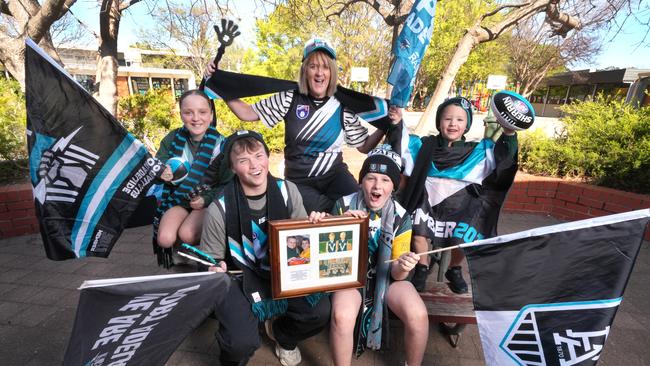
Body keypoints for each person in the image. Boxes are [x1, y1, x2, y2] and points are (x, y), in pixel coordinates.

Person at [206, 37, 402, 212]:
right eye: (313, 66)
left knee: (359, 203)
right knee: (325, 214)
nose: (319, 73)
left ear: (332, 72)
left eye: (325, 67)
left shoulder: (343, 105)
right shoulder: (289, 98)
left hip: (335, 175)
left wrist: (384, 125)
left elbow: (364, 147)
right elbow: (247, 113)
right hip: (299, 180)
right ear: (305, 70)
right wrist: (219, 86)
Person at [199, 130, 330, 366]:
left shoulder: (288, 191)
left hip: (283, 271)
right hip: (240, 278)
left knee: (318, 312)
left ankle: (283, 335)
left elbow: (302, 243)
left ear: (268, 157)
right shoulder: (219, 208)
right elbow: (209, 260)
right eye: (243, 161)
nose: (254, 165)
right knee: (239, 343)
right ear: (232, 167)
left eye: (259, 156)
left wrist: (317, 228)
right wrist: (212, 268)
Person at [310, 146, 429, 366]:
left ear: (394, 186)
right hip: (351, 276)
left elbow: (398, 275)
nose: (377, 186)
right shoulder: (344, 205)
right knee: (342, 317)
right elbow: (327, 259)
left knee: (418, 315)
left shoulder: (401, 216)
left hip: (387, 278)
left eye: (385, 180)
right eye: (370, 178)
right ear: (361, 181)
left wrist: (404, 265)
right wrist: (334, 223)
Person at [396, 96, 519, 294]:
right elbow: (400, 142)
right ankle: (422, 266)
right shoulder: (423, 146)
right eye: (447, 119)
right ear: (439, 122)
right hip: (426, 202)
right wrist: (395, 121)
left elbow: (505, 161)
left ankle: (454, 268)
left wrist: (509, 134)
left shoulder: (479, 150)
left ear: (467, 124)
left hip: (460, 206)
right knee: (417, 227)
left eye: (460, 120)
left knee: (466, 232)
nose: (453, 124)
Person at [154, 89, 225, 265]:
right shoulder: (173, 138)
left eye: (202, 112)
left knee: (186, 233)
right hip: (179, 199)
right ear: (181, 115)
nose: (196, 118)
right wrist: (162, 171)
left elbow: (227, 184)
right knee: (164, 238)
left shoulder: (222, 145)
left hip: (207, 200)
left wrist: (205, 199)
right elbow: (157, 163)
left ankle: (206, 251)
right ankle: (182, 251)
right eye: (188, 112)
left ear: (210, 114)